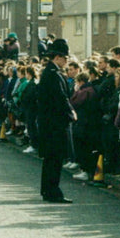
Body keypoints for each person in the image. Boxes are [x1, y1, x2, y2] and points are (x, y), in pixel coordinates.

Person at [37, 38, 75, 203]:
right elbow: (61, 98)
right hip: (55, 124)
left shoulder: (51, 72)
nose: (67, 61)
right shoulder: (53, 75)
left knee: (50, 159)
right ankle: (53, 191)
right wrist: (71, 112)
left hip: (49, 123)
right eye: (65, 58)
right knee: (55, 158)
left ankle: (48, 190)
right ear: (58, 57)